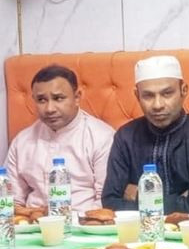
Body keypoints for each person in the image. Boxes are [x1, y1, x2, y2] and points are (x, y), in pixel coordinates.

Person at [102, 55, 189, 214]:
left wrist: (139, 195)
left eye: (167, 93)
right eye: (148, 96)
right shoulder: (126, 136)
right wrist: (181, 201)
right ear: (137, 96)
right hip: (136, 229)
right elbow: (110, 203)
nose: (157, 105)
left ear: (183, 90)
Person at [4, 65, 115, 212]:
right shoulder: (22, 141)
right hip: (32, 221)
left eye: (58, 98)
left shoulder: (101, 137)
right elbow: (10, 199)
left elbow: (106, 199)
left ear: (77, 97)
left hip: (83, 220)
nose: (49, 109)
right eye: (41, 100)